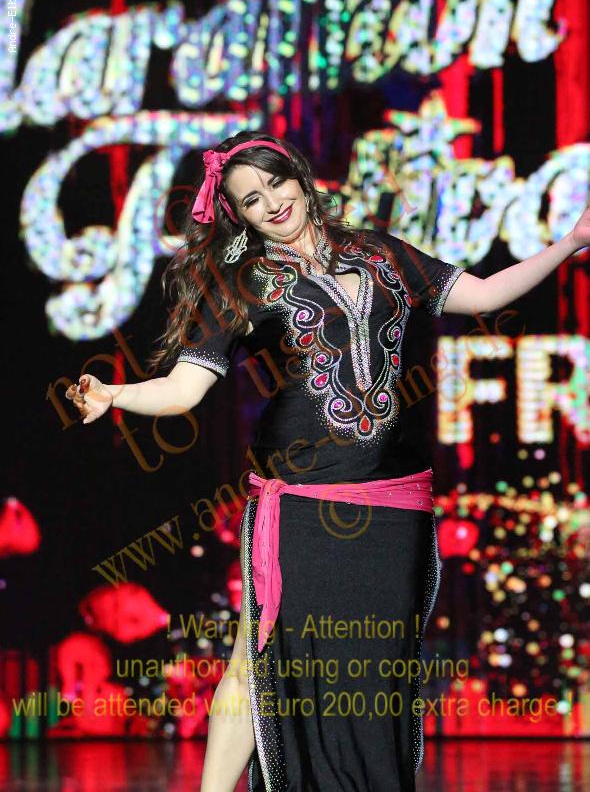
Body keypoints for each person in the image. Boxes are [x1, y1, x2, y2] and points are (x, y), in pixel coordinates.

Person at [65, 131, 590, 791]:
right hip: (301, 509)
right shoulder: (241, 284)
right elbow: (183, 389)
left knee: (378, 674)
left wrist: (571, 241)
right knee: (255, 661)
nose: (271, 203)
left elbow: (483, 295)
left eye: (275, 183)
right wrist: (114, 394)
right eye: (250, 200)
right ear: (239, 216)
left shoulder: (382, 253)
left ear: (300, 176)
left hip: (395, 511)